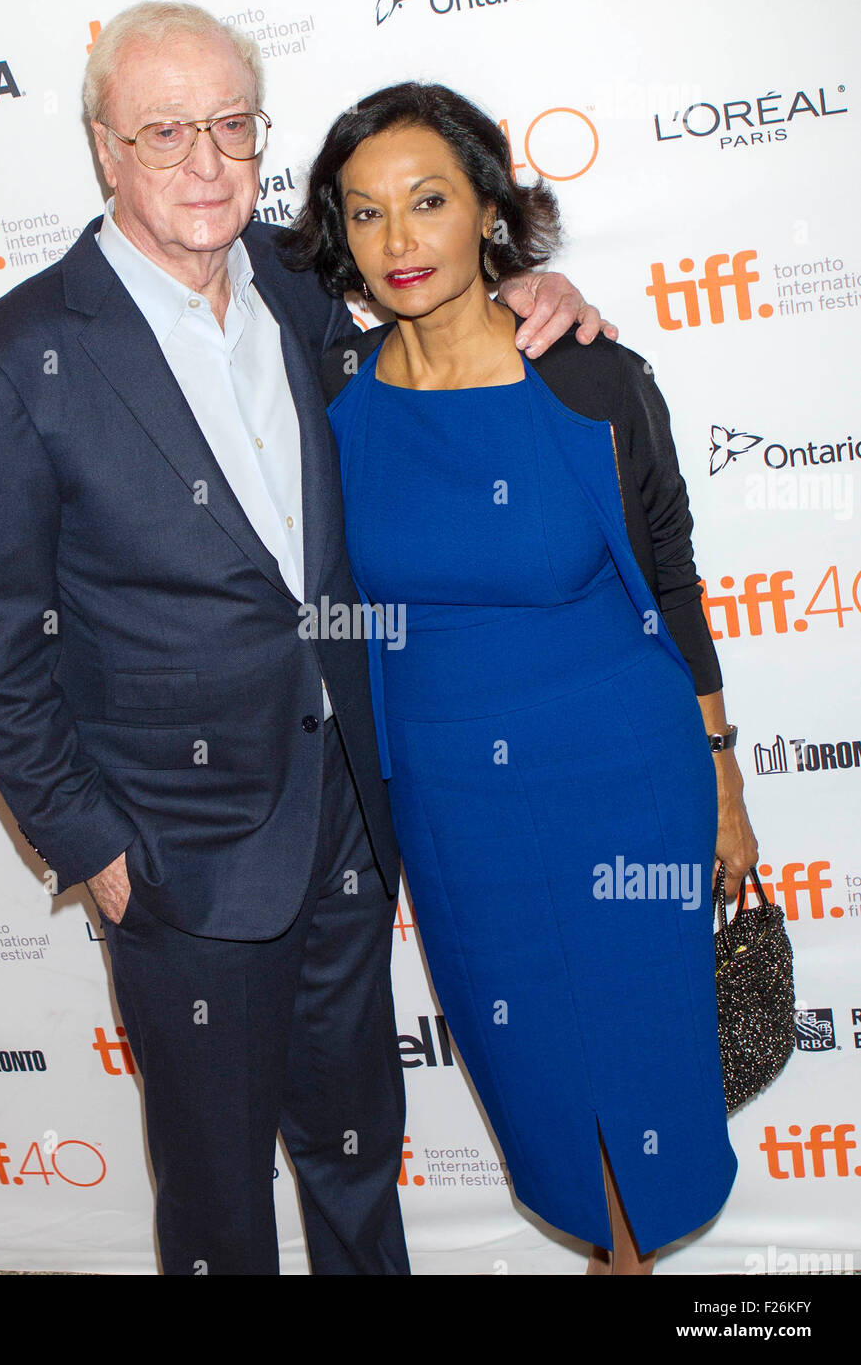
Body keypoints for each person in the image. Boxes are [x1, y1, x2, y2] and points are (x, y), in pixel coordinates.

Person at [0, 4, 610, 1275]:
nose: (206, 163)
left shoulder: (306, 291)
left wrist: (531, 286)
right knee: (218, 1196)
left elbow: (437, 306)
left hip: (345, 819)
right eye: (166, 132)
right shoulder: (15, 360)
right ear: (105, 149)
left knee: (359, 1156)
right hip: (177, 859)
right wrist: (94, 847)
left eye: (232, 127)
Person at [288, 81, 759, 1275]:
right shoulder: (329, 397)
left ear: (489, 209)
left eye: (429, 201)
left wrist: (723, 776)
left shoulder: (589, 373)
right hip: (455, 810)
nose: (399, 240)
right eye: (366, 213)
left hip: (626, 780)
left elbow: (675, 584)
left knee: (640, 1083)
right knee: (542, 1087)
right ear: (337, 236)